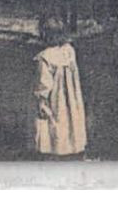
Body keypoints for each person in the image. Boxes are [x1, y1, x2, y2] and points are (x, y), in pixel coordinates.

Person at [33, 15, 87, 158]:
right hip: (70, 97)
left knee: (53, 123)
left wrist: (41, 100)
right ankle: (71, 148)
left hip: (55, 99)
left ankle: (53, 152)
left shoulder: (45, 57)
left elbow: (44, 83)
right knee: (70, 120)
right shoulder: (69, 51)